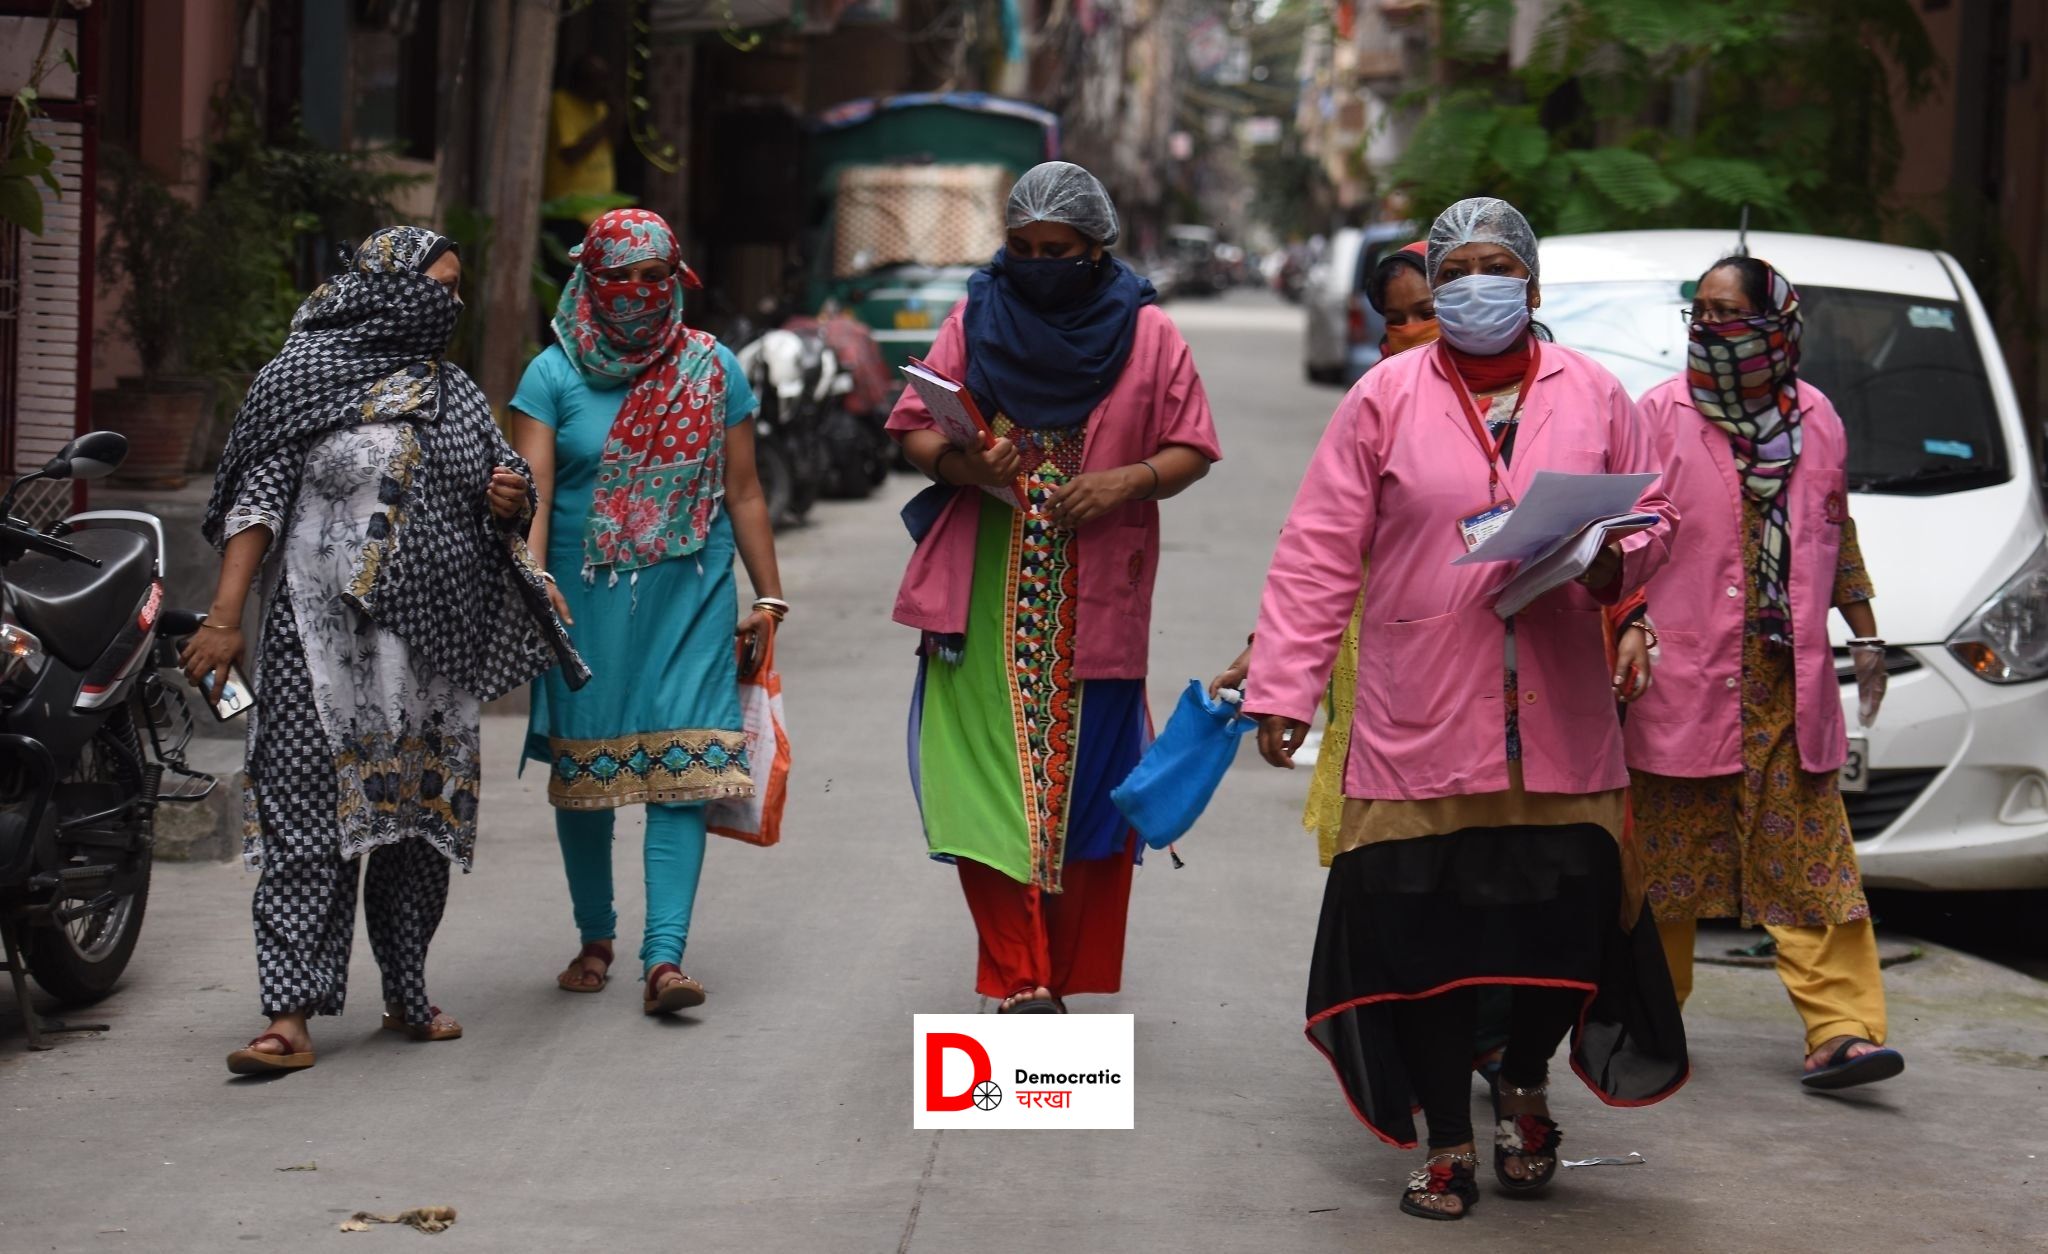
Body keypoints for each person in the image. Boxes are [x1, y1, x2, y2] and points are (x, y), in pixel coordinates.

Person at [1244, 197, 1687, 1221]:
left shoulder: (1596, 394)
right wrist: (1283, 684)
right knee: (1419, 940)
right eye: (1453, 272)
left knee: (1562, 927)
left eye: (1494, 267)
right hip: (1419, 722)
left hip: (1561, 722)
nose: (1472, 286)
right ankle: (1446, 1138)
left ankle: (1522, 1082)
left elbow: (1654, 516)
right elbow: (1317, 549)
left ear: (1530, 285)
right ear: (1432, 287)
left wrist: (1619, 559)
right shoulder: (1382, 395)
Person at [190, 227, 586, 1076]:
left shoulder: (457, 395)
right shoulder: (296, 379)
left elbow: (506, 489)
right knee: (303, 815)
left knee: (415, 827)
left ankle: (406, 988)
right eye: (436, 284)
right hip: (316, 641)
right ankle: (289, 1013)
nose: (448, 302)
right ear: (383, 286)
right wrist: (225, 618)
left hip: (430, 649)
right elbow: (255, 501)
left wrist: (508, 495)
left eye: (457, 289)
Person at [888, 161, 1221, 1014]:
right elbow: (917, 428)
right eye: (1023, 247)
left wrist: (1125, 481)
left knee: (1089, 795)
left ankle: (1061, 974)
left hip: (1095, 601)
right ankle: (1016, 976)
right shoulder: (977, 314)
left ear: (1095, 250)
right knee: (981, 785)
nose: (1037, 263)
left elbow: (1192, 446)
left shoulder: (1149, 337)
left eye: (1058, 250)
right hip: (979, 591)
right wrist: (965, 461)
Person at [1627, 256, 1902, 1089]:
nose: (1712, 331)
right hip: (1682, 676)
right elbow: (1622, 539)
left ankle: (1842, 1031)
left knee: (1812, 858)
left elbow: (1833, 528)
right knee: (1666, 863)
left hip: (1786, 683)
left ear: (1778, 324)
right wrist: (1623, 628)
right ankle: (1648, 1022)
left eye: (1730, 314)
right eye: (1701, 315)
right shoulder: (1657, 416)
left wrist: (1864, 634)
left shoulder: (1817, 418)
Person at [510, 208, 783, 1018]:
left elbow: (744, 490)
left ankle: (664, 959)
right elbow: (535, 493)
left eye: (655, 276)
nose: (637, 292)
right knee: (586, 770)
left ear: (679, 280)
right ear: (588, 279)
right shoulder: (551, 375)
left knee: (685, 769)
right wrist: (531, 577)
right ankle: (596, 936)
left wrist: (767, 596)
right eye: (619, 277)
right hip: (580, 598)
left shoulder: (713, 367)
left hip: (691, 593)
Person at [542, 54, 623, 274]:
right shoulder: (561, 103)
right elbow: (571, 153)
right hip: (568, 211)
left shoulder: (599, 108)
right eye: (598, 81)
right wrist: (605, 123)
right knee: (566, 278)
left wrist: (613, 117)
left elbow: (611, 145)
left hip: (598, 214)